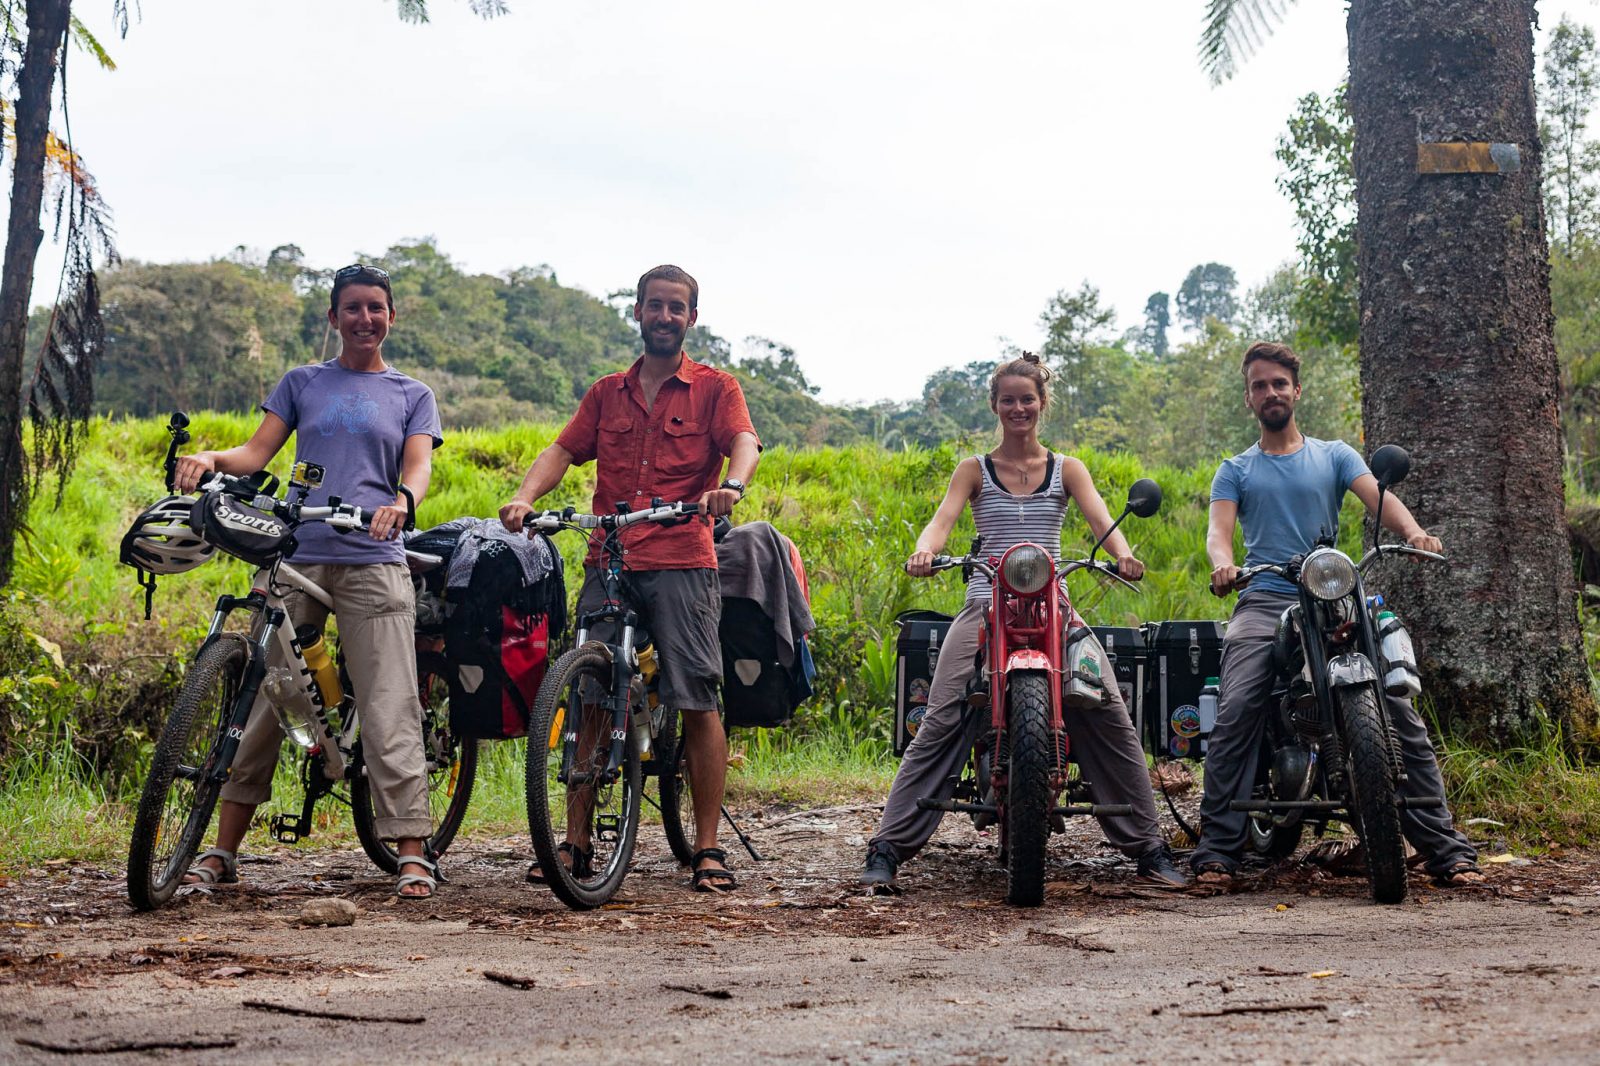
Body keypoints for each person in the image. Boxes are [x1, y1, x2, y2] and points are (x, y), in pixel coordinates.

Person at [859, 353, 1190, 893]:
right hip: (985, 602)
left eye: (1027, 399)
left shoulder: (1068, 468)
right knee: (940, 718)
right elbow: (940, 523)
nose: (1019, 408)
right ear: (995, 405)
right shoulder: (974, 469)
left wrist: (1123, 555)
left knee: (1110, 713)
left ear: (1042, 404)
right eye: (1008, 399)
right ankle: (887, 849)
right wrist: (925, 552)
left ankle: (1149, 848)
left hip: (1053, 604)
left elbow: (1103, 524)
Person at [175, 264, 444, 899]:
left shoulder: (412, 393)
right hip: (298, 552)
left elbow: (418, 464)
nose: (365, 319)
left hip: (376, 556)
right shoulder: (303, 382)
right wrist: (211, 458)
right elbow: (255, 454)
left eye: (376, 308)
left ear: (391, 317)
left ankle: (410, 848)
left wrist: (402, 501)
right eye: (352, 308)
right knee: (267, 697)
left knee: (389, 698)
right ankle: (222, 849)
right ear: (333, 318)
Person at [500, 264, 760, 892]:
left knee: (695, 694)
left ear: (691, 318)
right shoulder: (605, 393)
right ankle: (577, 842)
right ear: (637, 311)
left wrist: (730, 486)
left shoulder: (714, 387)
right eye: (655, 306)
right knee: (589, 693)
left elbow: (745, 441)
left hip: (681, 557)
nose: (665, 317)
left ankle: (706, 848)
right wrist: (525, 496)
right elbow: (562, 451)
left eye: (677, 308)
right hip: (609, 556)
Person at [1191, 341, 1483, 886]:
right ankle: (1217, 848)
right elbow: (1219, 532)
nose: (1270, 392)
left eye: (1279, 383)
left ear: (1296, 391)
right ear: (1249, 398)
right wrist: (1224, 565)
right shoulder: (1236, 469)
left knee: (1398, 707)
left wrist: (1413, 532)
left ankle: (1444, 847)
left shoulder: (1334, 455)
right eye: (1259, 385)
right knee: (1236, 710)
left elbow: (1379, 499)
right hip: (1266, 595)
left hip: (1333, 594)